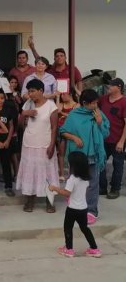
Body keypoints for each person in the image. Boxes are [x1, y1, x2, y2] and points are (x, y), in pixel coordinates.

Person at [60, 89, 110, 225]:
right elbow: (63, 131)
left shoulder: (98, 114)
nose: (95, 105)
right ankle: (74, 201)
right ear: (84, 103)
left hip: (94, 154)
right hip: (77, 155)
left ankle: (92, 211)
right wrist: (74, 137)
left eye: (96, 103)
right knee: (74, 181)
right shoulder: (74, 115)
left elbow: (106, 133)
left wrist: (100, 122)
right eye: (93, 103)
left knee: (93, 183)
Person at [16, 79, 59, 213]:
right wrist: (24, 114)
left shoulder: (51, 106)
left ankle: (50, 201)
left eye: (33, 91)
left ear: (41, 91)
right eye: (29, 91)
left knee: (48, 173)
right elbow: (19, 125)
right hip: (29, 144)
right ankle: (30, 200)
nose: (31, 94)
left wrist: (52, 145)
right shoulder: (28, 104)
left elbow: (54, 127)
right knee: (31, 173)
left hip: (45, 144)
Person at [49, 151, 102, 258]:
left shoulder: (72, 179)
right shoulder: (86, 178)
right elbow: (81, 192)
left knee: (68, 228)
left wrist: (54, 188)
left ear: (73, 166)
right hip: (83, 208)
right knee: (85, 228)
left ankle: (69, 249)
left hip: (72, 209)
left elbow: (66, 192)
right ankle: (94, 248)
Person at [98, 78, 126, 199]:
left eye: (111, 85)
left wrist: (121, 141)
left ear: (119, 87)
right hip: (103, 139)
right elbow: (91, 102)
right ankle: (102, 188)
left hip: (118, 140)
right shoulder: (103, 99)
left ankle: (115, 189)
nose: (108, 86)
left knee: (118, 165)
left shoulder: (124, 102)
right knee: (101, 164)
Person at [0, 89, 15, 197]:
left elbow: (11, 127)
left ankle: (8, 187)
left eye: (2, 98)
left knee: (6, 164)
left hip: (6, 142)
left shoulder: (8, 111)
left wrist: (7, 141)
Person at [56, 88, 79, 182]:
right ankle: (61, 174)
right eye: (61, 95)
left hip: (72, 132)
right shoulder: (61, 104)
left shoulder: (77, 105)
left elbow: (73, 116)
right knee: (61, 153)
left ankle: (72, 174)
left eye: (64, 94)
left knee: (72, 154)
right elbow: (56, 110)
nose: (62, 96)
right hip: (61, 131)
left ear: (70, 94)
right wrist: (57, 98)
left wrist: (62, 114)